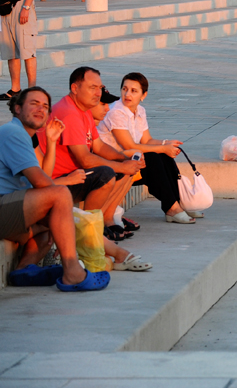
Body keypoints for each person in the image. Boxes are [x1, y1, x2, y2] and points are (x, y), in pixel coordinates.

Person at [0, 87, 106, 291]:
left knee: (56, 216)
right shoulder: (13, 133)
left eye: (45, 106)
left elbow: (41, 180)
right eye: (34, 103)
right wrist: (63, 209)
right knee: (60, 199)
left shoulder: (24, 135)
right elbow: (43, 184)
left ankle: (23, 270)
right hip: (3, 205)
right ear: (17, 108)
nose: (41, 109)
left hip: (10, 207)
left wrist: (51, 142)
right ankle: (73, 271)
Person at [39, 67, 143, 241]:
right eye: (92, 87)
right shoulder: (69, 113)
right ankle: (88, 230)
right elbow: (85, 159)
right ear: (75, 88)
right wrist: (121, 165)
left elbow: (99, 146)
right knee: (106, 173)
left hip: (74, 174)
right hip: (59, 180)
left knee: (127, 166)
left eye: (100, 88)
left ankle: (103, 221)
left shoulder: (84, 109)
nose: (98, 93)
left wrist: (125, 159)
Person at [96, 73, 196, 224]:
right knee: (153, 157)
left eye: (134, 91)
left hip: (130, 156)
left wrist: (166, 143)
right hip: (112, 159)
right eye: (125, 89)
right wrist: (162, 148)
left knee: (163, 155)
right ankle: (172, 207)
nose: (127, 94)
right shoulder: (116, 111)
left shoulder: (140, 111)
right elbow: (129, 146)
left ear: (144, 95)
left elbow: (147, 140)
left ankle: (179, 202)